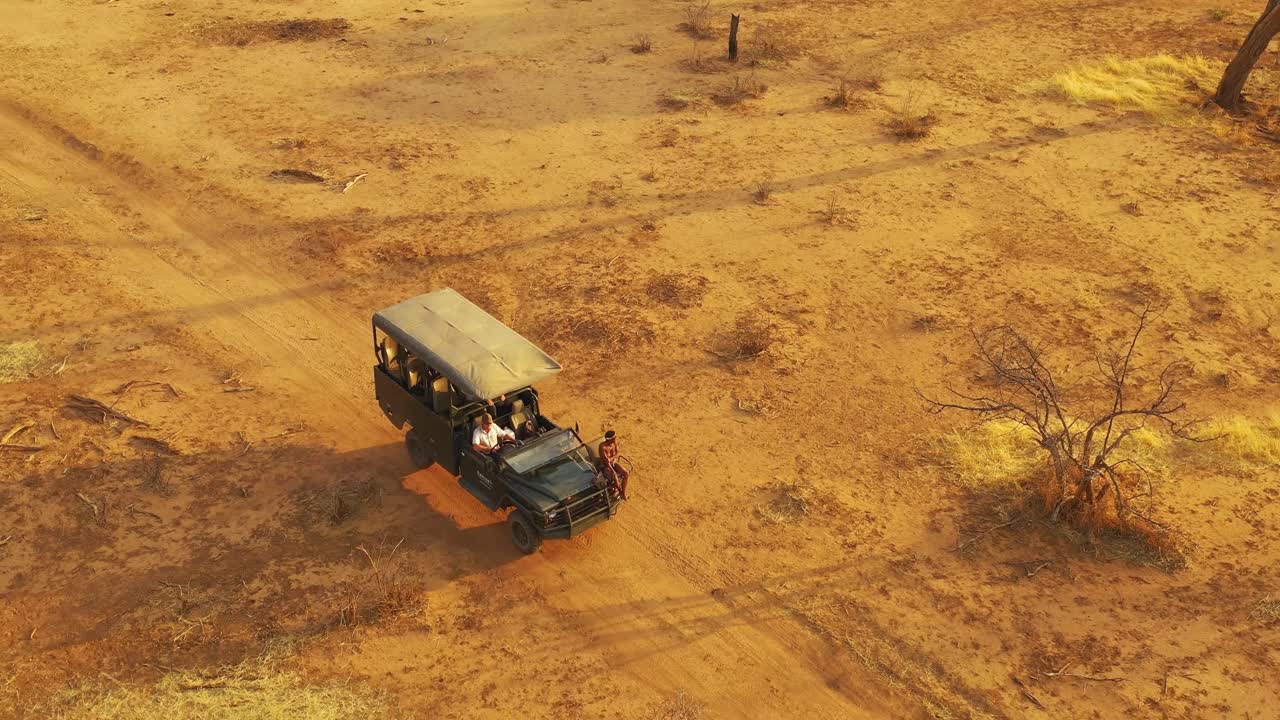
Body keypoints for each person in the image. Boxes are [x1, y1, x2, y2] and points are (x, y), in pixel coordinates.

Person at [598, 430, 629, 500]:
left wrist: (613, 459)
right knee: (614, 477)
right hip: (605, 466)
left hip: (613, 463)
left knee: (626, 473)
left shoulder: (614, 443)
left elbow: (617, 453)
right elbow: (606, 462)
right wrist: (613, 471)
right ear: (611, 439)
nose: (616, 438)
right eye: (615, 437)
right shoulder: (602, 447)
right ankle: (621, 492)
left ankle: (623, 492)